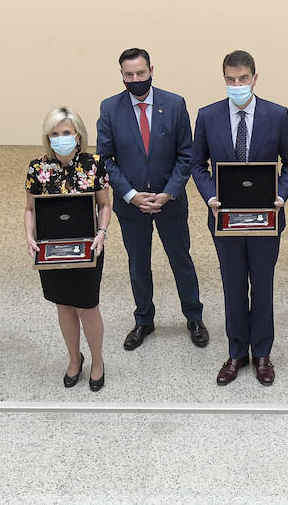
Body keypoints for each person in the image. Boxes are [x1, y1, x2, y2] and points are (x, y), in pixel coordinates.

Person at [192, 50, 288, 386]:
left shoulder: (277, 115)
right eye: (230, 79)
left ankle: (262, 354)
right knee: (233, 286)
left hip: (266, 219)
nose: (236, 85)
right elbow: (197, 164)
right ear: (224, 79)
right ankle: (237, 351)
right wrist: (210, 197)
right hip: (225, 220)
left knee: (263, 285)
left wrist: (281, 196)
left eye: (242, 79)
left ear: (254, 77)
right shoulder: (208, 116)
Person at [96, 48, 208, 352]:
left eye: (140, 73)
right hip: (131, 205)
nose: (135, 79)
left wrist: (169, 191)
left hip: (169, 201)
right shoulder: (110, 109)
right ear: (121, 76)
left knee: (180, 259)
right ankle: (144, 319)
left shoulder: (174, 104)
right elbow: (106, 159)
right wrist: (131, 196)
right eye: (128, 75)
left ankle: (194, 317)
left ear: (151, 70)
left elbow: (187, 153)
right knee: (138, 263)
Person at [24, 107, 112, 391]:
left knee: (87, 307)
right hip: (51, 250)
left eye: (66, 133)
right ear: (47, 137)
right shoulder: (37, 168)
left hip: (88, 249)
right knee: (64, 306)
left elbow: (105, 204)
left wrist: (101, 233)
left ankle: (97, 361)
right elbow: (30, 209)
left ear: (77, 135)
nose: (60, 138)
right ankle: (75, 359)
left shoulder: (94, 164)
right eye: (55, 134)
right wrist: (29, 235)